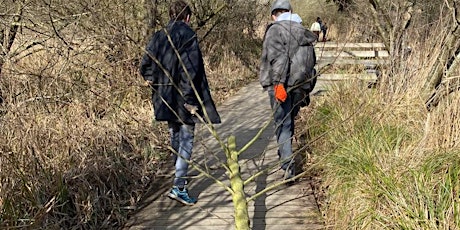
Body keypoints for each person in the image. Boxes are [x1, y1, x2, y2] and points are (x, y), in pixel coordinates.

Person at [139, 0, 221, 205]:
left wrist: (154, 81)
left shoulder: (158, 36)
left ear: (170, 15)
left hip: (164, 98)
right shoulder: (188, 35)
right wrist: (189, 99)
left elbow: (144, 65)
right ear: (187, 17)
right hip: (183, 99)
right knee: (186, 138)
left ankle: (178, 174)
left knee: (175, 133)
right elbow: (190, 71)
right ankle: (179, 186)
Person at [260, 0, 317, 181]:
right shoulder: (302, 29)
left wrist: (278, 84)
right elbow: (312, 60)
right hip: (300, 86)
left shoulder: (275, 30)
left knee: (282, 123)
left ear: (273, 14)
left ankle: (287, 165)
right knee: (289, 122)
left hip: (281, 85)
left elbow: (279, 59)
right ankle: (285, 153)